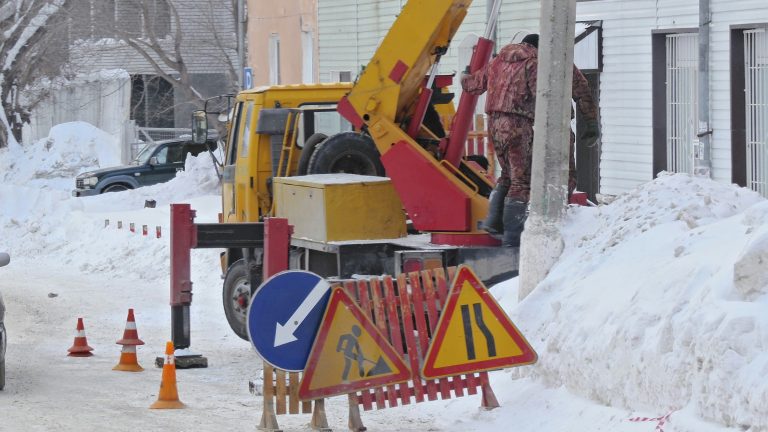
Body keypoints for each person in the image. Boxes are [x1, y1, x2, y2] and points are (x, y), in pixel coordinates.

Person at [461, 33, 599, 247]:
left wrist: (464, 75)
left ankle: (493, 222)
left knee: (507, 174)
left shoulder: (498, 61)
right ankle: (512, 240)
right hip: (519, 124)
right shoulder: (541, 62)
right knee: (522, 182)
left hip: (495, 123)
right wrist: (589, 121)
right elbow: (568, 92)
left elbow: (473, 85)